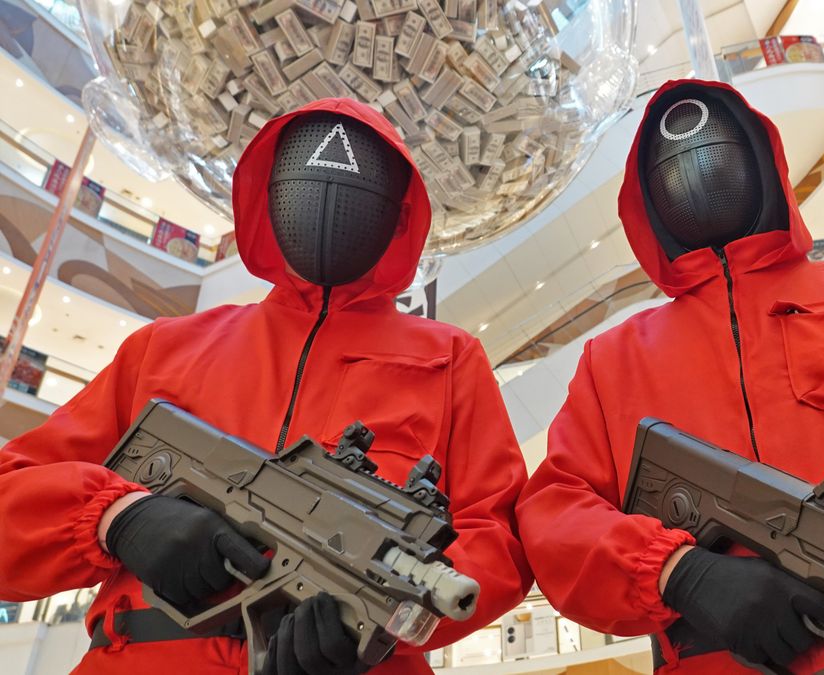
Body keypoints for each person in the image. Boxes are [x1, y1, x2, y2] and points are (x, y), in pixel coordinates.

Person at [0, 98, 532, 674]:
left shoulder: (449, 358)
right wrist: (117, 517)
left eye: (359, 195)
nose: (329, 206)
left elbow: (497, 539)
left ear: (399, 217)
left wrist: (383, 617)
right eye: (305, 185)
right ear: (267, 197)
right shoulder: (163, 346)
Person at [516, 79, 824, 673]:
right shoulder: (613, 360)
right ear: (646, 202)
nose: (698, 172)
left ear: (763, 160)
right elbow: (554, 513)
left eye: (719, 151)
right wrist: (677, 572)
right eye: (675, 169)